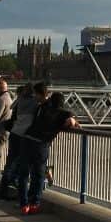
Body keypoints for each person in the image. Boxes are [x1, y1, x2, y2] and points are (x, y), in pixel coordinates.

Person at [14, 83, 78, 215]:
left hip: (27, 140)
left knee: (24, 173)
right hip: (41, 144)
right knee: (38, 175)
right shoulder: (61, 112)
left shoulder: (41, 107)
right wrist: (72, 122)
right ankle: (34, 203)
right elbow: (70, 121)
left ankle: (24, 204)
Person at [0, 84, 36, 201]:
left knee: (10, 162)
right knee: (22, 164)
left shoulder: (19, 101)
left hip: (14, 133)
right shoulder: (34, 103)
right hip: (24, 135)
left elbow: (11, 109)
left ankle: (3, 189)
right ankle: (17, 189)